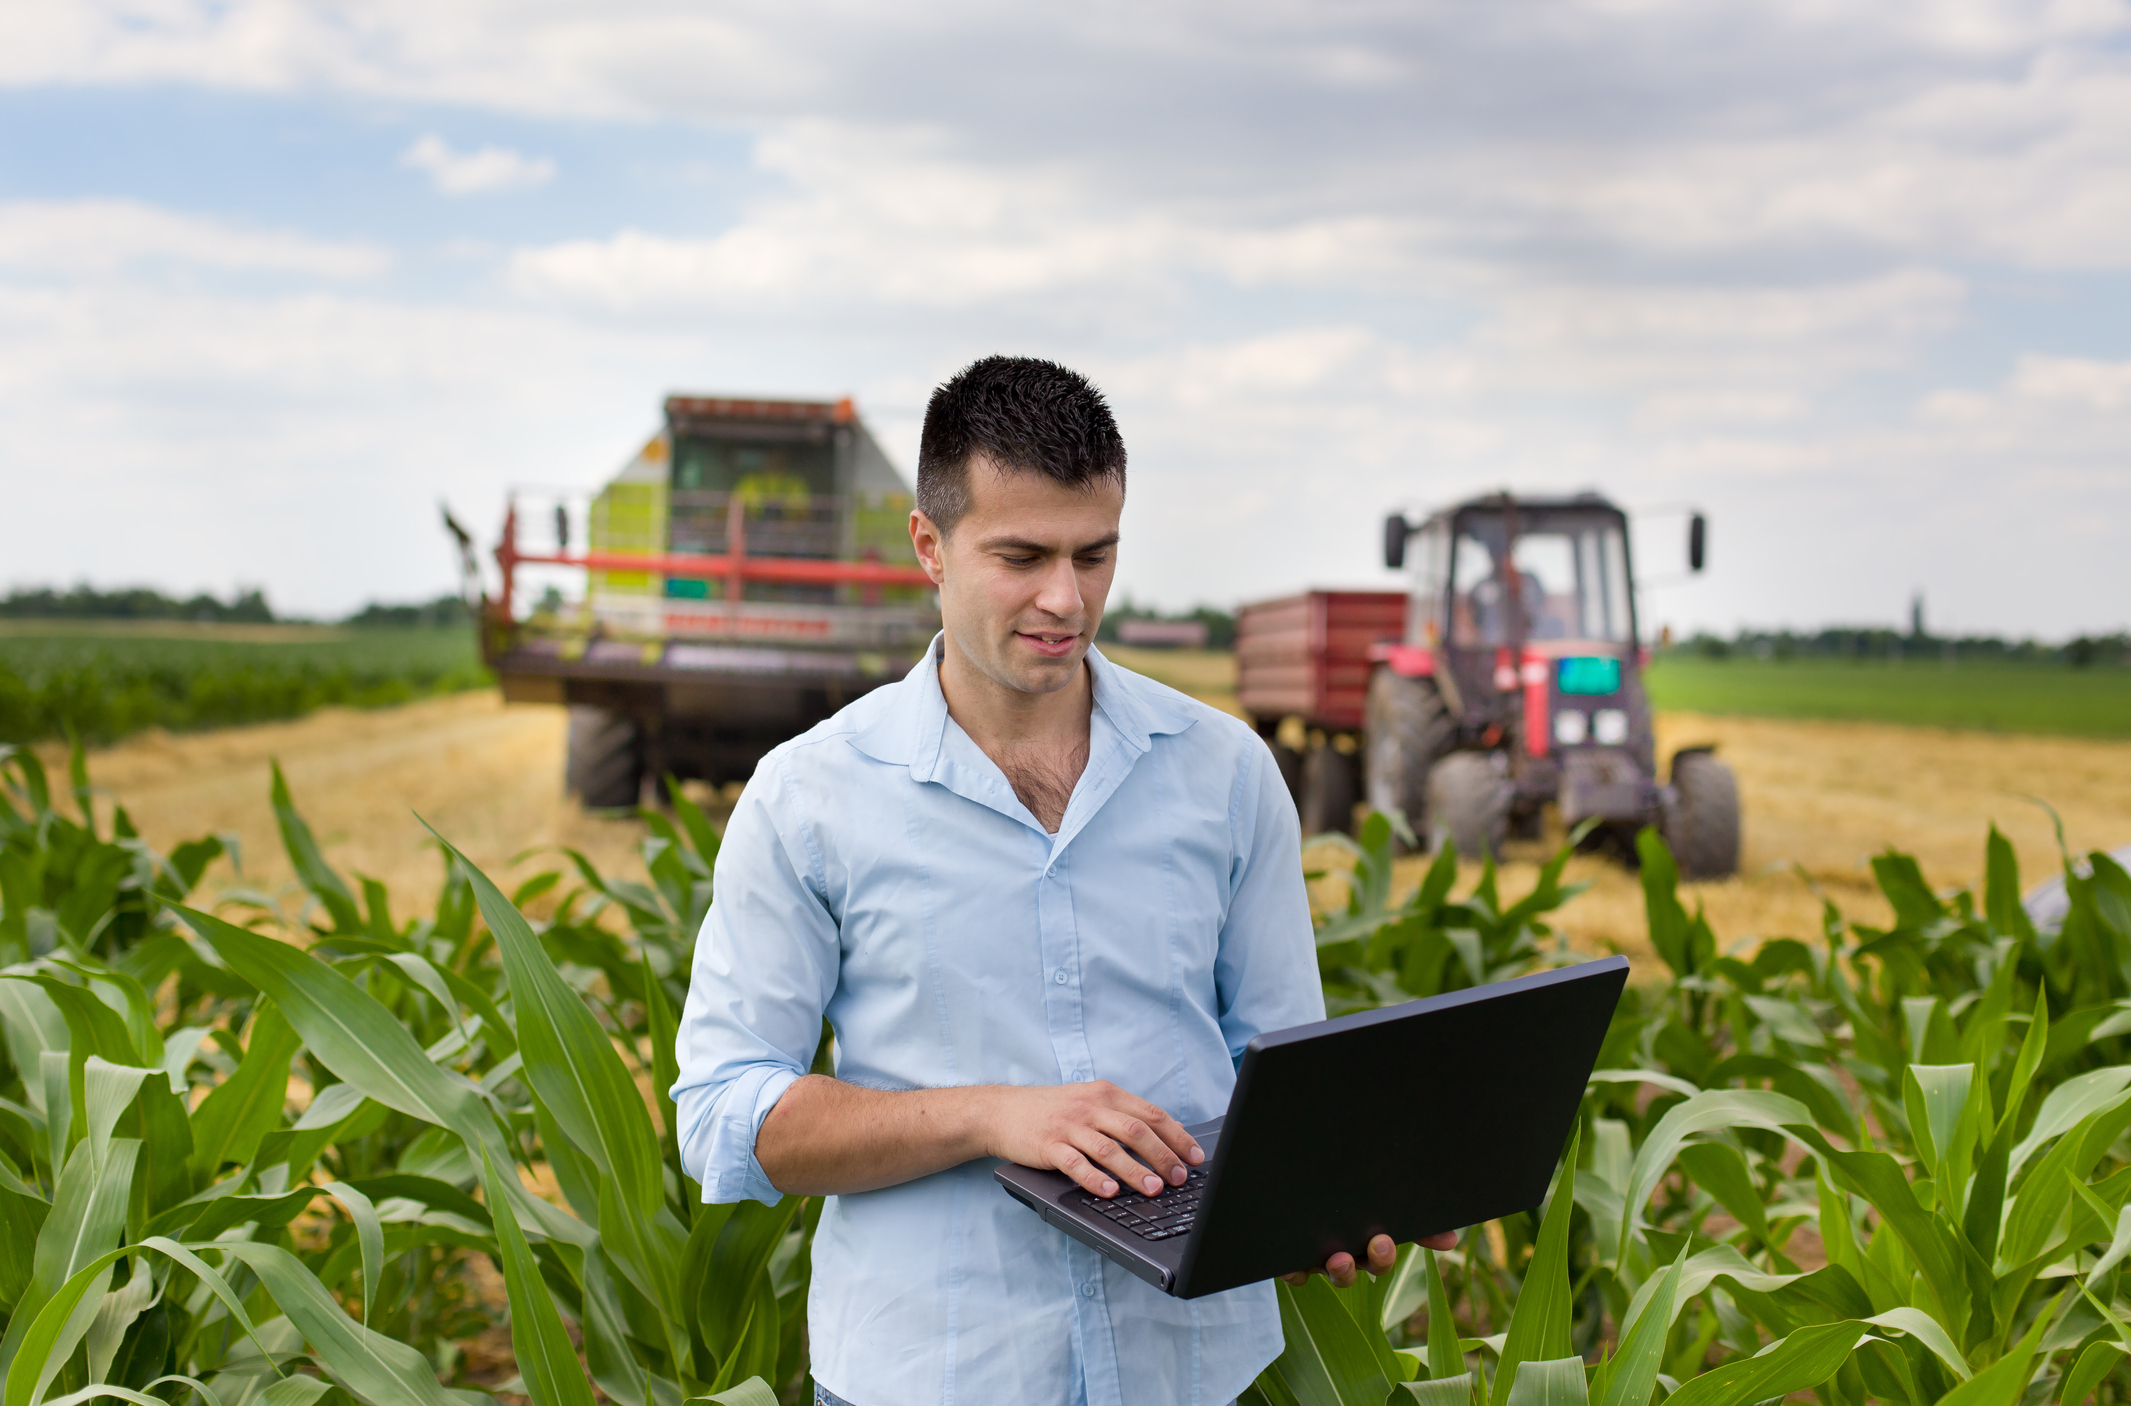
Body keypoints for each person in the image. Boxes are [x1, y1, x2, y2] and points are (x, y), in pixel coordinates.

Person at [671, 356, 1451, 1406]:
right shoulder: (809, 797)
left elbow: (1271, 1061)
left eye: (1095, 553)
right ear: (927, 545)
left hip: (1189, 1368)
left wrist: (1324, 1198)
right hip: (930, 1372)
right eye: (1021, 555)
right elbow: (725, 1112)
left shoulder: (1224, 772)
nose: (1065, 597)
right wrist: (990, 1113)